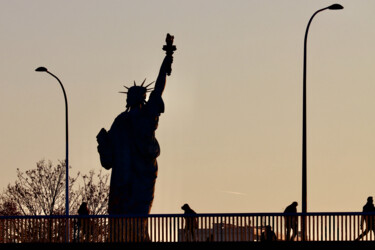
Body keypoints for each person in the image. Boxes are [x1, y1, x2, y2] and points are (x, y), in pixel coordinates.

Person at [97, 34, 175, 241]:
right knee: (137, 219)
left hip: (126, 181)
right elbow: (158, 88)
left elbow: (107, 160)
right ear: (143, 98)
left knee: (127, 221)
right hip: (137, 179)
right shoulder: (141, 116)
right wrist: (166, 58)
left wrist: (103, 143)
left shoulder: (121, 120)